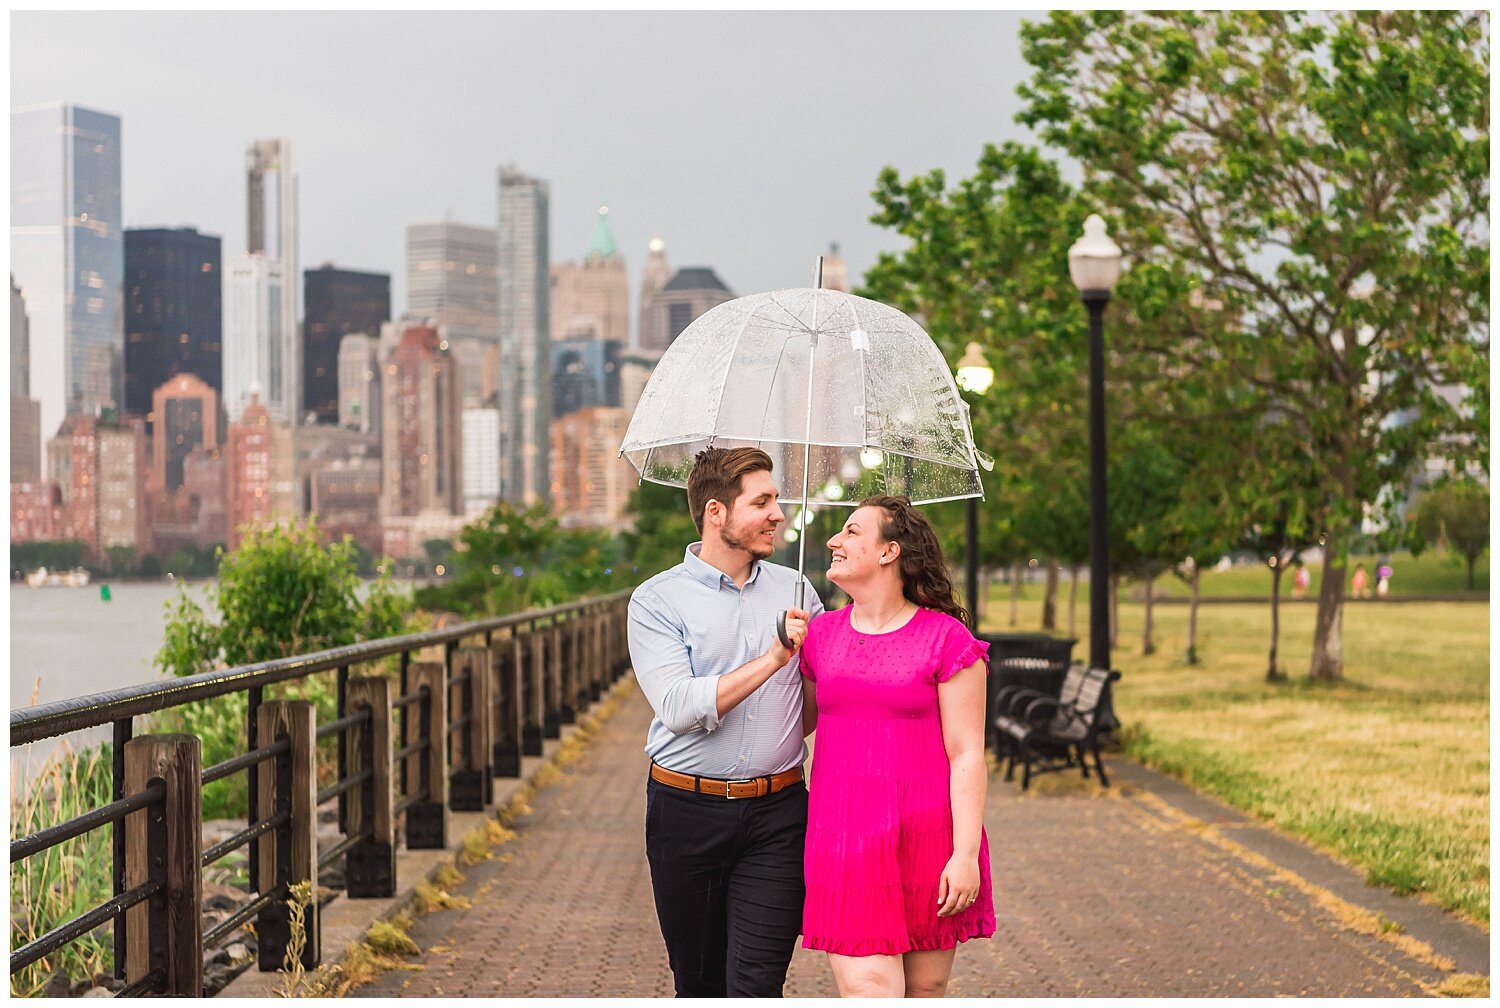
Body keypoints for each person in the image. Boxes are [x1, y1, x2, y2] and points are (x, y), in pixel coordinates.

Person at [627, 446, 824, 997]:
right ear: (717, 512)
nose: (778, 514)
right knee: (699, 984)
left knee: (758, 986)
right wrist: (771, 659)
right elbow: (678, 707)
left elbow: (810, 703)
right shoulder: (656, 600)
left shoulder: (797, 592)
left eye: (777, 500)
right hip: (685, 813)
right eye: (761, 502)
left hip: (778, 816)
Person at [798, 495, 994, 997]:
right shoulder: (819, 636)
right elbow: (794, 728)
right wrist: (778, 652)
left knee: (926, 989)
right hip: (845, 841)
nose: (833, 541)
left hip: (929, 839)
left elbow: (967, 752)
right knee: (869, 990)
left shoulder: (947, 640)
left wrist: (965, 853)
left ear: (889, 551)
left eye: (851, 532)